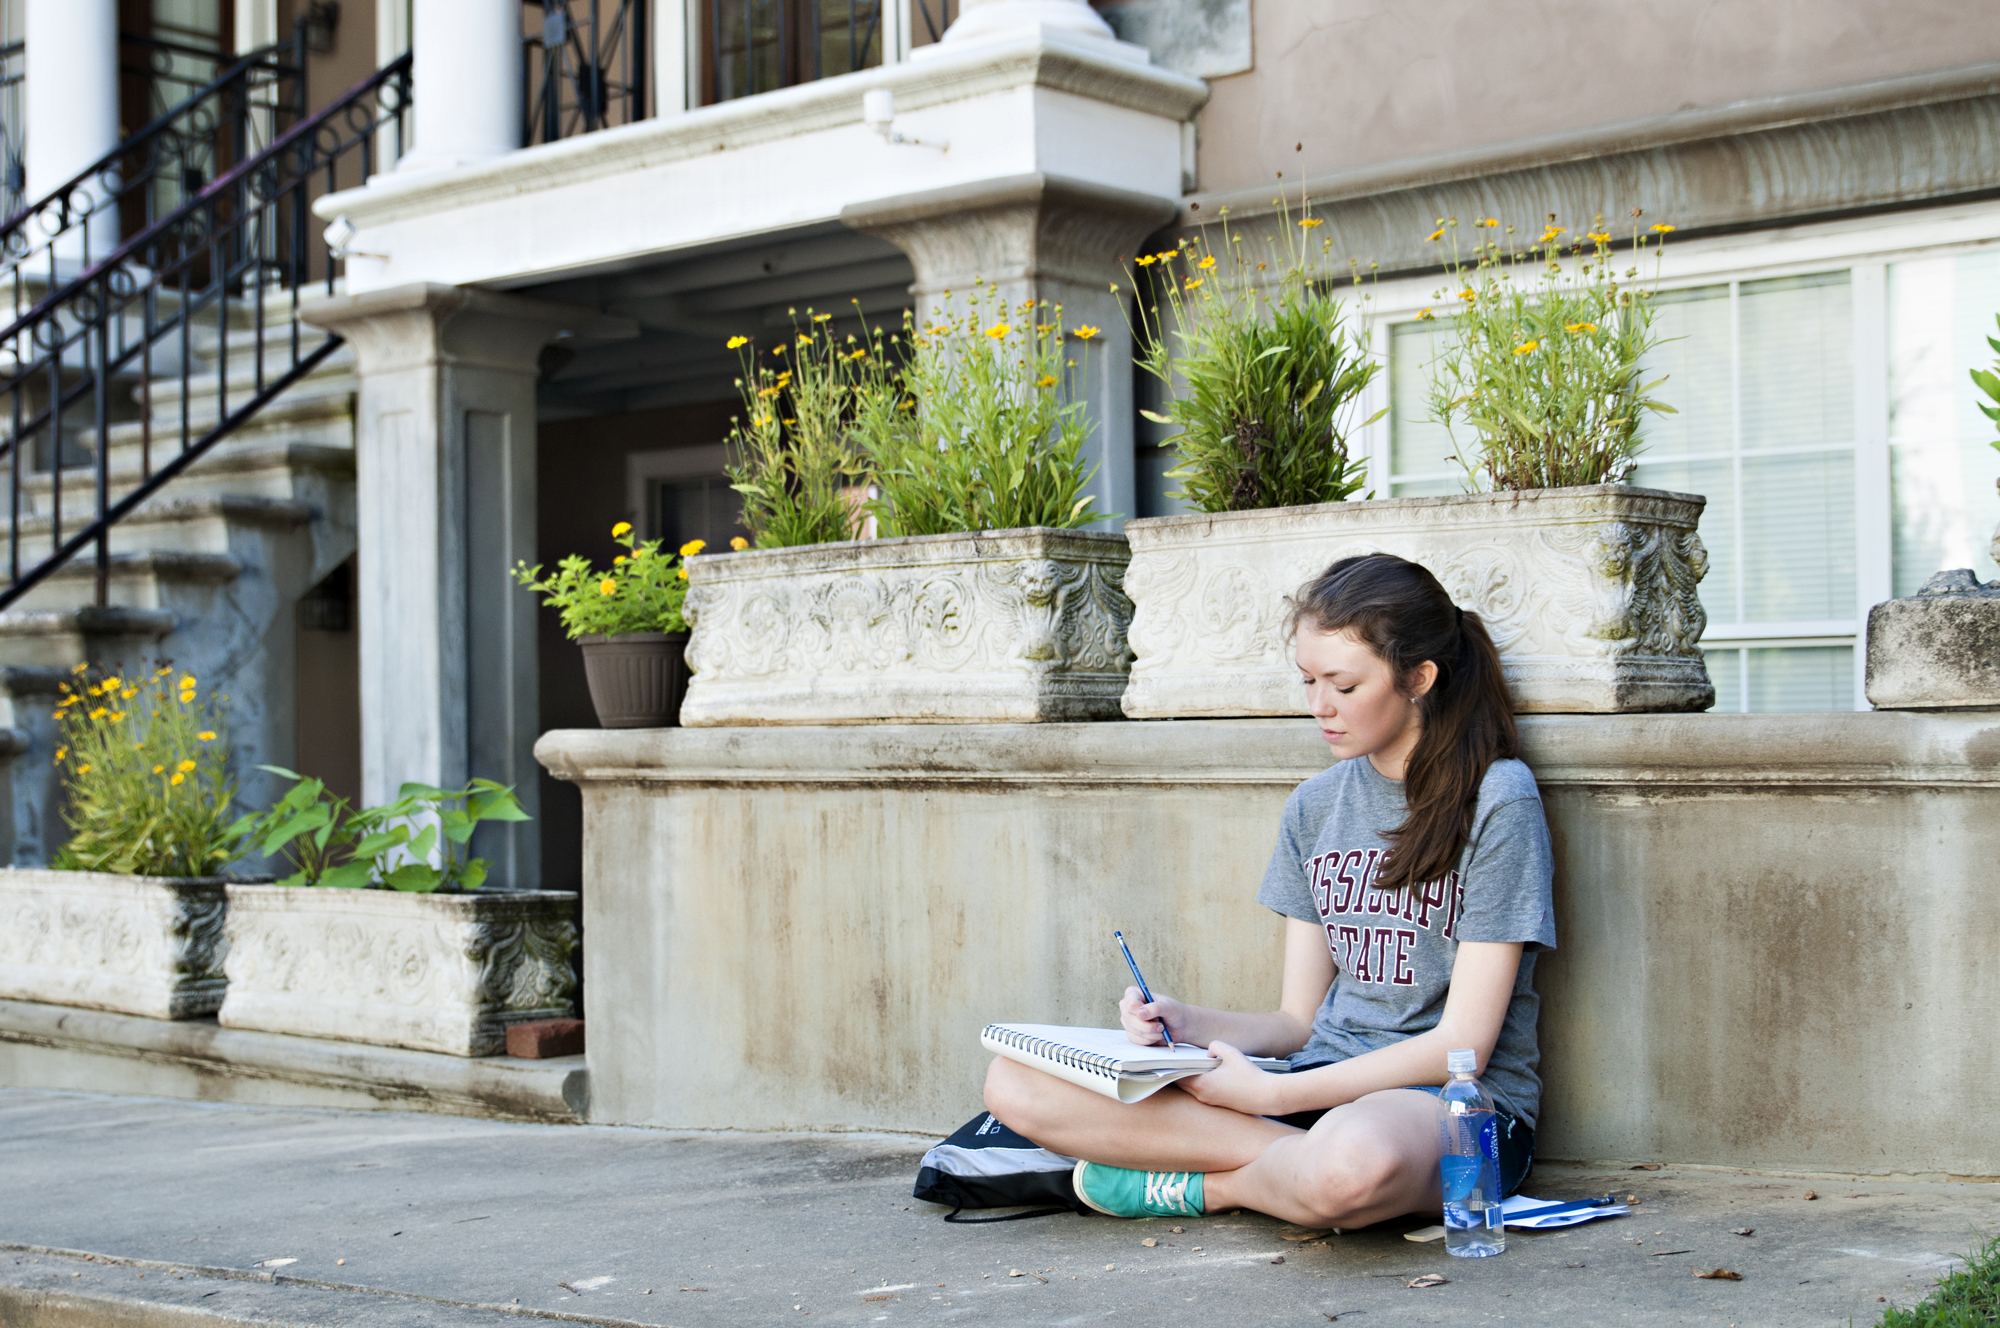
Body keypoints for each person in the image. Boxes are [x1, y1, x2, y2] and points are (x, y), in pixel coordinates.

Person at [983, 552, 1555, 1228]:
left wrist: (1272, 1097)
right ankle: (1294, 1176)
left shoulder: (1498, 799)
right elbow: (1297, 1024)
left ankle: (1209, 1185)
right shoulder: (1314, 807)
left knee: (1349, 1162)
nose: (1320, 707)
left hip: (1452, 1107)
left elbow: (1463, 1045)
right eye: (1309, 681)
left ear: (1419, 679)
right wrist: (1186, 1023)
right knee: (1014, 1083)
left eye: (1342, 684)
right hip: (1312, 1090)